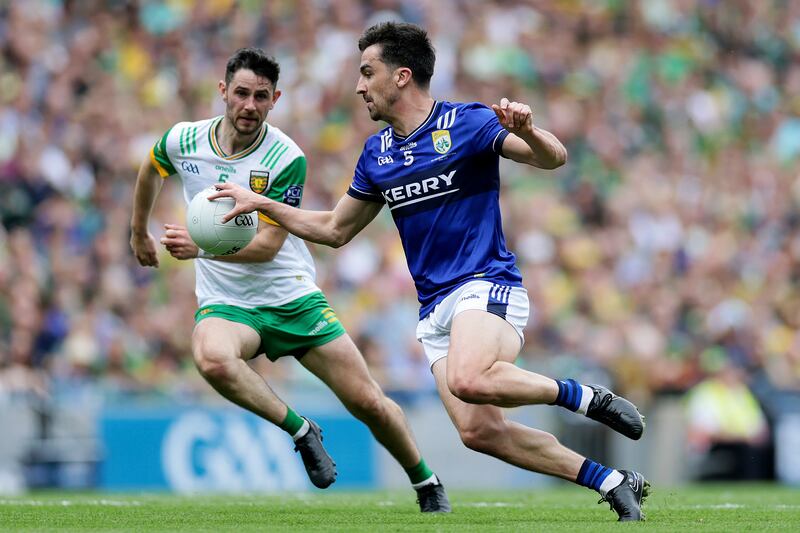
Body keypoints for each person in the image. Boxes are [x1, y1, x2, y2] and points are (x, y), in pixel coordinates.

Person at [210, 23, 650, 521]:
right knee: (479, 433)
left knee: (469, 378)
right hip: (434, 306)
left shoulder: (467, 122)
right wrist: (262, 204)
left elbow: (554, 158)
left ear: (401, 76)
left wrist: (527, 130)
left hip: (486, 283)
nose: (359, 86)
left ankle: (585, 396)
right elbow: (334, 229)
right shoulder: (377, 154)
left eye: (366, 72)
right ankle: (612, 480)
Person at [129, 47, 450, 512]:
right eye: (241, 93)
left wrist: (199, 248)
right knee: (212, 359)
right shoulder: (184, 139)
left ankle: (426, 482)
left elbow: (265, 246)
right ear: (223, 91)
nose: (249, 106)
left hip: (291, 297)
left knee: (368, 403)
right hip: (228, 302)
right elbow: (151, 168)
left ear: (275, 99)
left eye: (261, 96)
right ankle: (301, 430)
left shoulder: (286, 157)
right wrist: (138, 231)